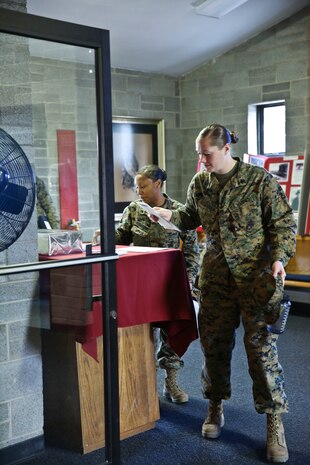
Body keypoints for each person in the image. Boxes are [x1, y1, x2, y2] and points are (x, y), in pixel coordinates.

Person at [151, 124, 296, 463]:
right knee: (214, 347)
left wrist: (278, 258)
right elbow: (190, 217)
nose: (202, 160)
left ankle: (274, 422)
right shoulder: (200, 183)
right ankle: (215, 407)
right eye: (199, 154)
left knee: (261, 351)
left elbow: (283, 223)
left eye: (207, 154)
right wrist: (167, 215)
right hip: (215, 277)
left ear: (226, 149)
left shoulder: (259, 181)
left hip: (255, 278)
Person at [115, 164, 200, 404]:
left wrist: (189, 283)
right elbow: (121, 239)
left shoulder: (179, 212)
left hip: (170, 283)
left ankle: (171, 382)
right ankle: (145, 385)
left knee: (171, 332)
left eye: (143, 186)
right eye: (137, 186)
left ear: (158, 184)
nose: (138, 191)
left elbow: (192, 251)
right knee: (143, 333)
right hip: (141, 283)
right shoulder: (134, 210)